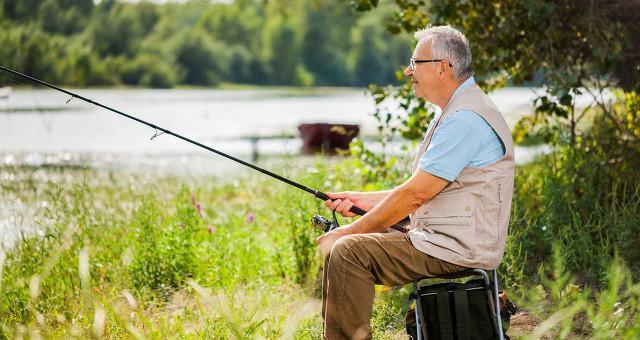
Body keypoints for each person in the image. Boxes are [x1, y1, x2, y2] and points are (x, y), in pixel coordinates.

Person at [315, 25, 515, 339]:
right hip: (444, 239)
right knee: (350, 245)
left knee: (349, 250)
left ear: (442, 68)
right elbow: (425, 187)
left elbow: (415, 195)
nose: (409, 71)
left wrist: (349, 230)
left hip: (454, 247)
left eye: (415, 63)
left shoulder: (464, 119)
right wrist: (360, 199)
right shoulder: (457, 111)